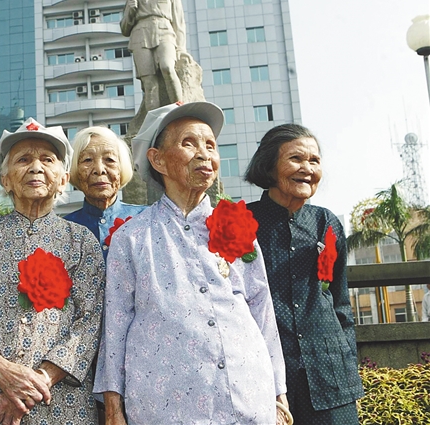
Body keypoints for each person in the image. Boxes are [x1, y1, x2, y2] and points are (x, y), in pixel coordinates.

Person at [94, 102, 289, 425]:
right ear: (157, 159)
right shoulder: (132, 237)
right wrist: (114, 409)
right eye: (189, 143)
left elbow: (262, 311)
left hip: (246, 398)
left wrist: (279, 395)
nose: (204, 154)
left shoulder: (239, 227)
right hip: (164, 408)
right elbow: (115, 326)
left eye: (210, 145)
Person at [0, 118, 105, 425]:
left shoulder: (81, 242)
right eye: (24, 160)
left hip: (59, 403)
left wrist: (35, 382)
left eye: (47, 160)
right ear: (6, 180)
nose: (36, 167)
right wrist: (2, 370)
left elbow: (90, 323)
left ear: (63, 179)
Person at [245, 124, 364, 424]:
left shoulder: (327, 222)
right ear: (269, 166)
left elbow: (340, 303)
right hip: (264, 376)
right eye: (296, 159)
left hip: (330, 377)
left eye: (314, 160)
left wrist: (348, 364)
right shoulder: (241, 222)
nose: (307, 169)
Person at [63, 126, 145, 258]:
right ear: (76, 170)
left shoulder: (146, 218)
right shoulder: (62, 230)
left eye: (109, 160)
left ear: (121, 168)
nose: (99, 169)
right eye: (87, 160)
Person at [121, 0, 187, 112]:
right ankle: (154, 120)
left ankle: (180, 111)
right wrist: (130, 11)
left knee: (167, 67)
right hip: (140, 34)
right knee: (149, 82)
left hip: (164, 30)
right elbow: (124, 28)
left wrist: (181, 48)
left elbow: (178, 21)